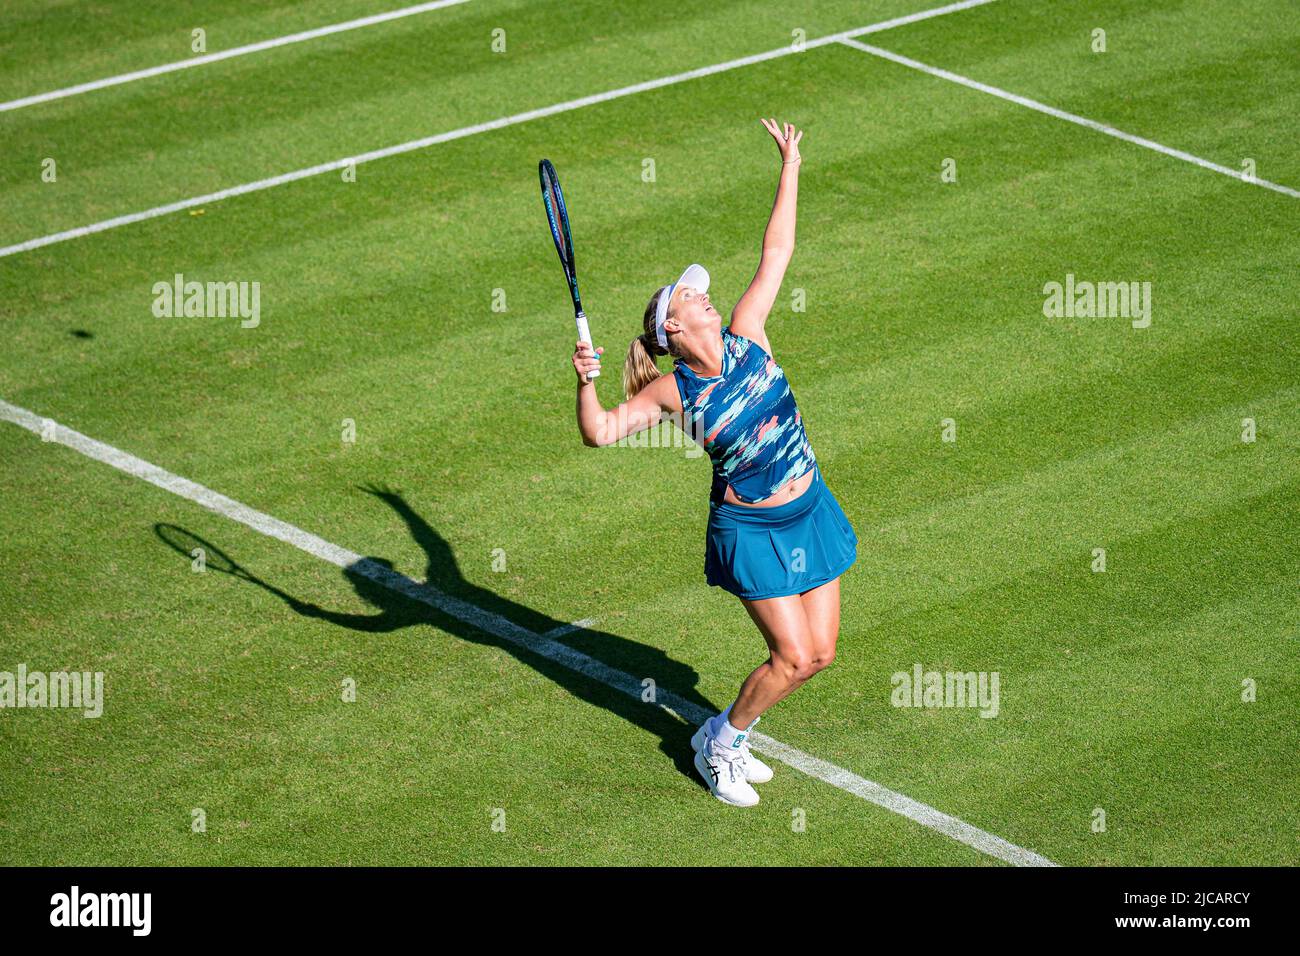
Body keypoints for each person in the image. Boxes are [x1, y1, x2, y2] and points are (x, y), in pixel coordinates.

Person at [572, 120, 857, 806]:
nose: (704, 293)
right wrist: (584, 378)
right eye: (690, 294)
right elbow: (603, 432)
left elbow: (778, 248)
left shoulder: (748, 329)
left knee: (819, 656)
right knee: (789, 657)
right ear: (673, 327)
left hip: (810, 509)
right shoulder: (675, 390)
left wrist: (790, 163)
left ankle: (726, 733)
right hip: (751, 533)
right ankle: (720, 743)